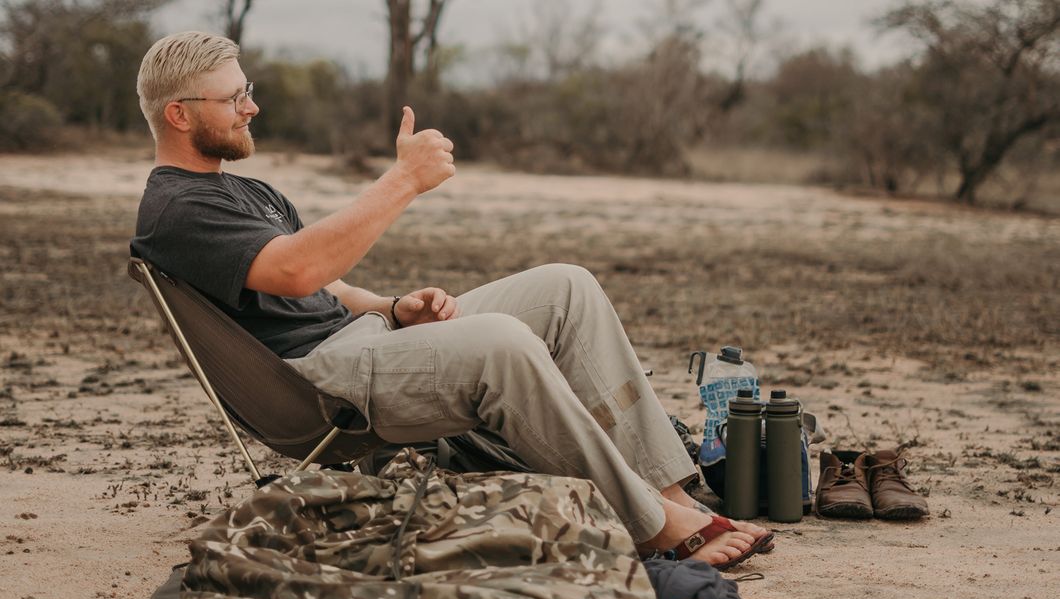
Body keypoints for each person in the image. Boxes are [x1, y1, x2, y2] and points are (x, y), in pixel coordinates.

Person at [131, 31, 774, 568]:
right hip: (318, 388)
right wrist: (404, 179)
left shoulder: (244, 192)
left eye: (249, 90)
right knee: (503, 343)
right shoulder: (177, 211)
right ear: (180, 114)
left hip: (369, 345)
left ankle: (667, 492)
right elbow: (298, 271)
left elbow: (327, 287)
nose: (252, 107)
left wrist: (393, 306)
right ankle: (649, 524)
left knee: (565, 287)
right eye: (235, 95)